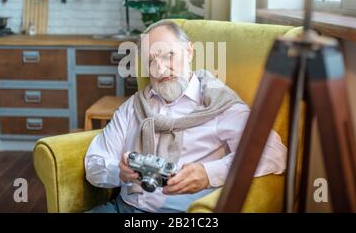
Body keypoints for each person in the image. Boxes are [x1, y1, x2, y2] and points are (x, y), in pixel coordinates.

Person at [85, 20, 287, 213]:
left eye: (168, 55)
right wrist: (118, 172)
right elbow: (95, 161)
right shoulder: (135, 106)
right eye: (151, 60)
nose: (161, 68)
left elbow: (272, 152)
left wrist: (208, 174)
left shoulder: (218, 103)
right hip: (123, 207)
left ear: (189, 51)